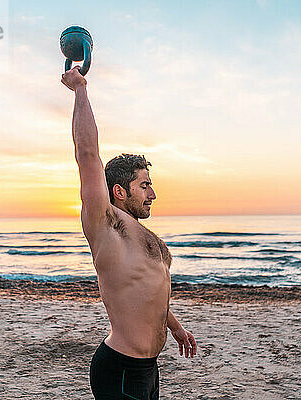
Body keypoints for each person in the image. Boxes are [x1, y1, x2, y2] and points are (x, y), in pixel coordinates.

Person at [62, 66, 197, 400]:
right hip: (120, 368)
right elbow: (87, 154)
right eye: (145, 185)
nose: (153, 194)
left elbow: (148, 291)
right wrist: (80, 90)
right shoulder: (106, 225)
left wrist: (176, 328)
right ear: (119, 191)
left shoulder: (143, 235)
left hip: (148, 369)